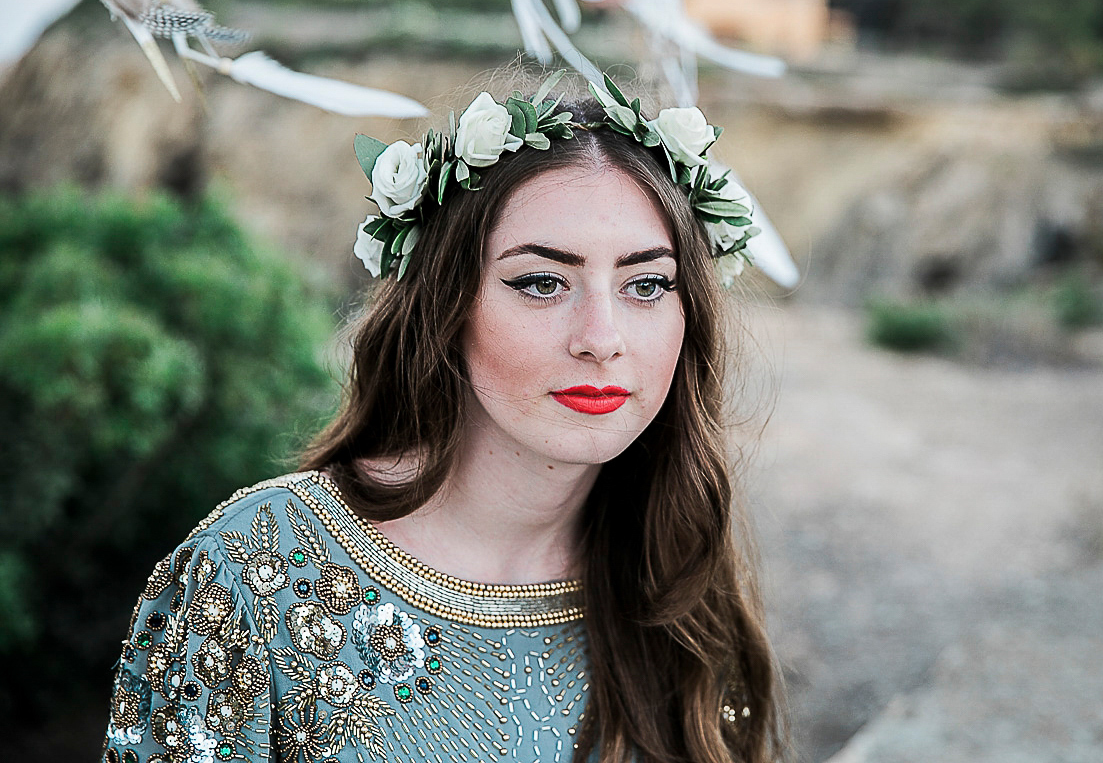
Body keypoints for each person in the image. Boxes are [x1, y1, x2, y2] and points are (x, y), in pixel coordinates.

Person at [100, 71, 781, 763]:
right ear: (447, 307)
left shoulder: (678, 575)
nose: (601, 338)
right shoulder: (252, 570)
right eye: (542, 283)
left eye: (646, 284)